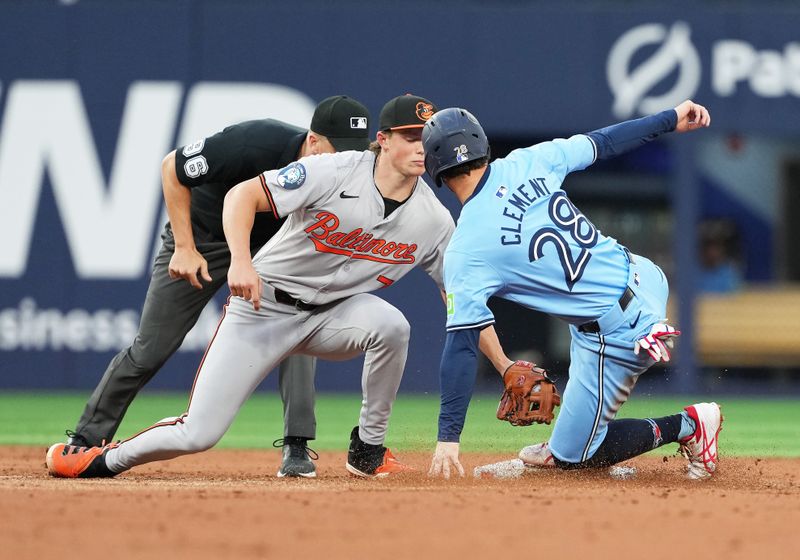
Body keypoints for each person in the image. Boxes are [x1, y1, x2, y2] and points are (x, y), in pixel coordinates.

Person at [47, 94, 492, 480]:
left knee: (392, 326)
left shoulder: (431, 218)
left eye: (426, 138)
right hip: (235, 268)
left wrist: (505, 364)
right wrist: (230, 259)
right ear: (384, 139)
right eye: (410, 136)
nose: (421, 146)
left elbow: (462, 297)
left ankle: (362, 450)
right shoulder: (305, 160)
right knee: (195, 426)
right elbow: (234, 193)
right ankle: (98, 455)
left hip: (321, 305)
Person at [64, 95, 371, 478]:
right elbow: (172, 168)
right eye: (335, 149)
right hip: (203, 240)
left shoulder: (352, 170)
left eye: (353, 152)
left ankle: (297, 447)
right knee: (151, 348)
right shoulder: (257, 142)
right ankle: (87, 438)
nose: (342, 159)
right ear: (312, 140)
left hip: (270, 253)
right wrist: (184, 247)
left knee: (297, 330)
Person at [422, 101, 723, 481]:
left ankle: (690, 425)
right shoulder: (528, 162)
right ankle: (569, 437)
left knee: (575, 459)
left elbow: (462, 346)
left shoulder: (466, 250)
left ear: (436, 170)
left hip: (618, 332)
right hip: (643, 276)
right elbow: (606, 141)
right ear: (481, 143)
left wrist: (449, 436)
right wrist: (669, 118)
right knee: (570, 435)